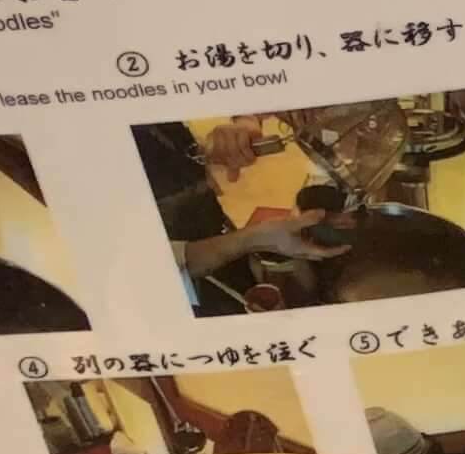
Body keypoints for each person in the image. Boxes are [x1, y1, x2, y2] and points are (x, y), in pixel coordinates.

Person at [135, 120, 349, 315]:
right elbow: (150, 267)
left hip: (213, 229)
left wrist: (243, 124)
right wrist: (252, 239)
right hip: (191, 289)